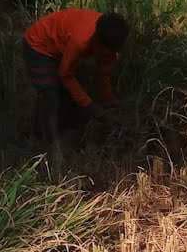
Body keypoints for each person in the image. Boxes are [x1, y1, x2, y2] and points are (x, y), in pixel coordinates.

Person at [22, 9, 129, 158]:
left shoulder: (110, 42)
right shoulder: (81, 40)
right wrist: (90, 106)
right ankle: (47, 146)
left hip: (60, 48)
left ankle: (63, 134)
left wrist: (109, 102)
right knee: (50, 94)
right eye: (104, 53)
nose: (107, 57)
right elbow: (65, 74)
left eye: (111, 54)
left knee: (69, 95)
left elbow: (103, 75)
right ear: (96, 41)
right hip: (38, 44)